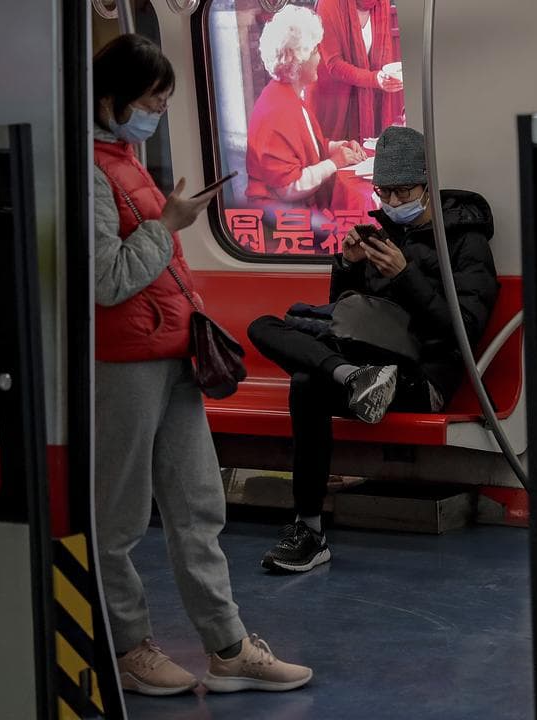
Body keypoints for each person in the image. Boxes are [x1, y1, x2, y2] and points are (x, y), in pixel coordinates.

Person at [91, 33, 312, 695]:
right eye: (152, 99)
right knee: (120, 518)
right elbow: (107, 280)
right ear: (113, 98)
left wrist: (167, 223)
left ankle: (227, 646)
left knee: (198, 507)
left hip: (173, 353)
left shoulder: (125, 158)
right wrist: (171, 225)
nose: (156, 111)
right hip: (123, 362)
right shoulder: (90, 172)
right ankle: (127, 645)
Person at [247, 126, 499, 572]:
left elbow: (464, 330)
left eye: (404, 192)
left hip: (423, 375)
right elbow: (345, 312)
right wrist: (346, 267)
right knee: (264, 328)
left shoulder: (465, 238)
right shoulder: (381, 232)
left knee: (308, 382)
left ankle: (309, 524)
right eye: (385, 192)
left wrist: (406, 276)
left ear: (426, 184)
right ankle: (310, 528)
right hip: (368, 367)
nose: (394, 203)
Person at [245, 5, 367, 209]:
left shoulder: (286, 95)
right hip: (276, 214)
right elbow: (289, 186)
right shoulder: (277, 111)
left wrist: (338, 147)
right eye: (315, 51)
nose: (320, 58)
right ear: (297, 60)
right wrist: (334, 163)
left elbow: (305, 146)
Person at [312, 0, 404, 143]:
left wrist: (389, 78)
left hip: (371, 102)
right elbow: (334, 64)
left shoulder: (380, 2)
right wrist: (374, 79)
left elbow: (384, 54)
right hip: (334, 106)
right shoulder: (328, 4)